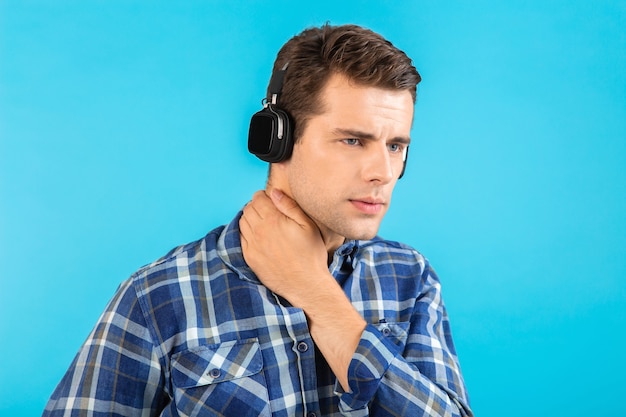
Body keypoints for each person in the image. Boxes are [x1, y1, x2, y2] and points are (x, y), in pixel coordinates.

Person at [43, 23, 472, 417]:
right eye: (353, 140)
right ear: (277, 139)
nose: (383, 171)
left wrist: (317, 294)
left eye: (396, 146)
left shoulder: (409, 279)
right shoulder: (158, 297)